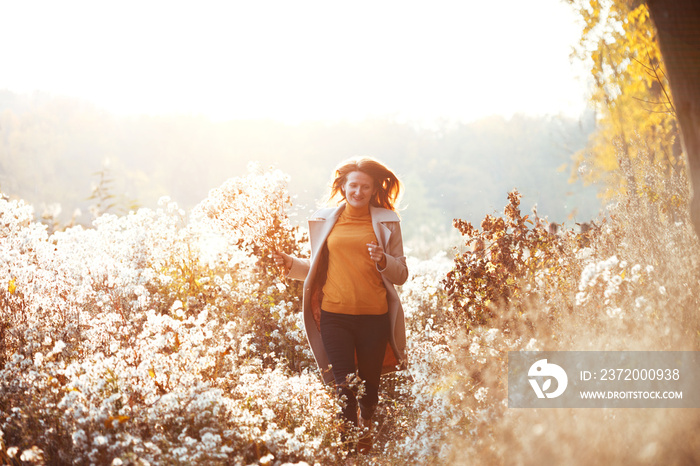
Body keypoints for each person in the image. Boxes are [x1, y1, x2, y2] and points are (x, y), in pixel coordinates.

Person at [273, 157, 408, 453]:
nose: (358, 192)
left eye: (365, 187)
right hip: (335, 316)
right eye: (353, 185)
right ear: (343, 187)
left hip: (375, 318)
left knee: (369, 390)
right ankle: (348, 448)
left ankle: (365, 427)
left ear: (373, 190)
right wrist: (290, 264)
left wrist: (383, 260)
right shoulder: (325, 221)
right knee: (343, 387)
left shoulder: (387, 221)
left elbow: (402, 273)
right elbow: (317, 267)